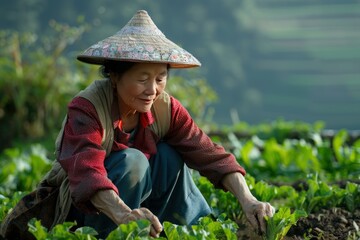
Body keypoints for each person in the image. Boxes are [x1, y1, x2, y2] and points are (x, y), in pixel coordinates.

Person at [2, 10, 275, 239]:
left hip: (133, 210)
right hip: (84, 211)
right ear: (115, 76)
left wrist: (248, 199)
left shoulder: (166, 108)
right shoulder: (87, 109)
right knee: (134, 162)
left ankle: (186, 228)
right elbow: (86, 173)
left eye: (160, 78)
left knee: (168, 156)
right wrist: (124, 214)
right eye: (142, 78)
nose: (152, 89)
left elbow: (209, 154)